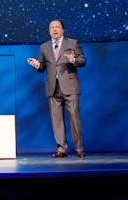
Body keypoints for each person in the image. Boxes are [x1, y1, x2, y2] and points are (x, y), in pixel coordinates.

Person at [27, 19, 86, 158]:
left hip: (70, 86)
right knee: (57, 120)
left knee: (74, 119)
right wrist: (37, 65)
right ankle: (62, 149)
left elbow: (83, 61)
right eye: (51, 27)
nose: (54, 29)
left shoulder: (72, 43)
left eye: (57, 27)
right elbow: (42, 67)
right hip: (53, 88)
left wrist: (73, 60)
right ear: (49, 30)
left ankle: (78, 148)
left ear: (62, 30)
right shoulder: (44, 47)